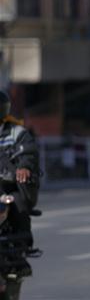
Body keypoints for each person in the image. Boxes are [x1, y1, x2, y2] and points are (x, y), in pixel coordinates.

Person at [0, 90, 39, 274]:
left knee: (18, 205)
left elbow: (28, 153)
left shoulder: (17, 132)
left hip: (7, 186)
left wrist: (24, 167)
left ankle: (20, 253)